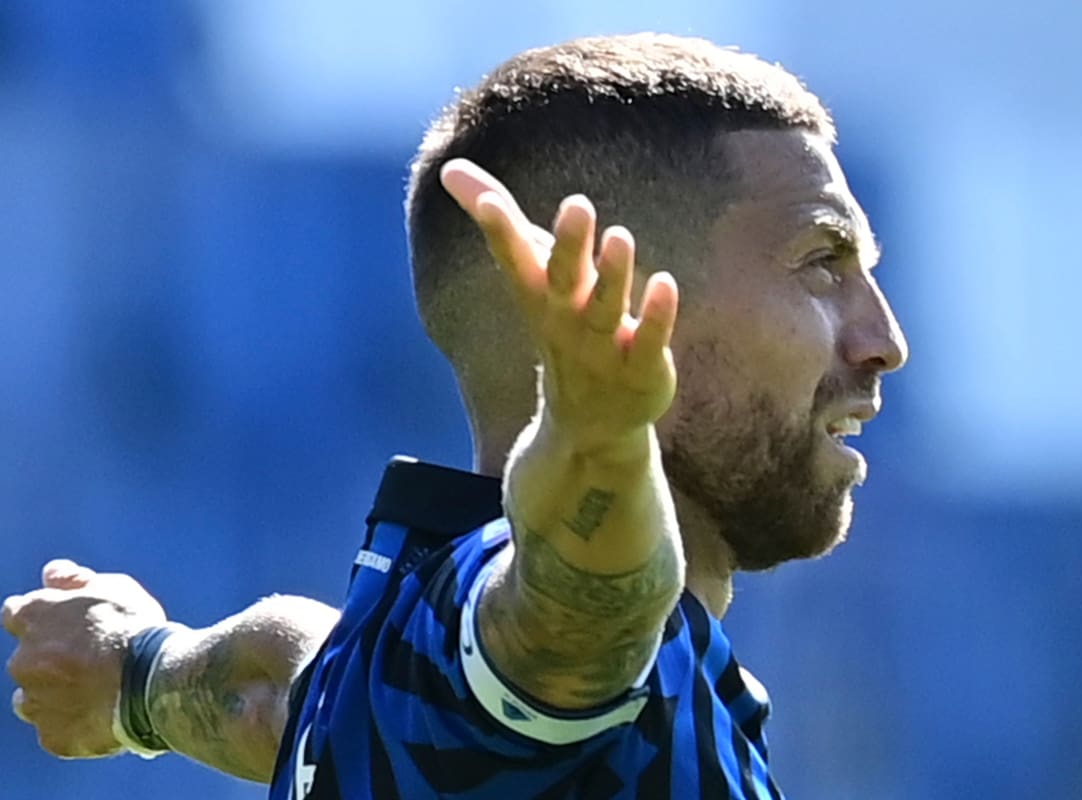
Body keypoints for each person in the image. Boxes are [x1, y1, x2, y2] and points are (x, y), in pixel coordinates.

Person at [3, 33, 907, 798]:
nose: (883, 338)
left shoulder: (394, 673)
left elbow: (274, 690)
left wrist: (140, 672)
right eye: (821, 260)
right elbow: (576, 615)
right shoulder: (558, 652)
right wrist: (598, 441)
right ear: (625, 294)